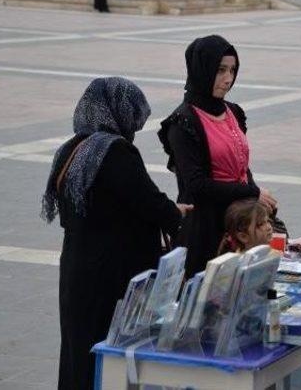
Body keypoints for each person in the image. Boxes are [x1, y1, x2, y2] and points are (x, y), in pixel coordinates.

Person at [41, 77, 193, 390]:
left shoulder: (71, 149)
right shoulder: (115, 152)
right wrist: (175, 212)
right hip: (111, 274)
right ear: (119, 114)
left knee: (78, 350)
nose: (134, 128)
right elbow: (148, 201)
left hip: (77, 268)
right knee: (108, 353)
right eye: (133, 119)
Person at [158, 35, 277, 276]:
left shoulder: (233, 112)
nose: (228, 79)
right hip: (206, 230)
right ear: (202, 69)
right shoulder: (184, 122)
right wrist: (251, 192)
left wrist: (259, 204)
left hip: (241, 224)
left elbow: (242, 166)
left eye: (232, 70)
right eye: (220, 70)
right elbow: (196, 185)